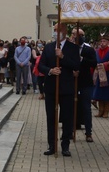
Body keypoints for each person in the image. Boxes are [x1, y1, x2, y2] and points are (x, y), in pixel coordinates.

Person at [38, 23, 80, 156]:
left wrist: (62, 57)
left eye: (57, 30)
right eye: (54, 30)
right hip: (51, 87)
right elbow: (41, 66)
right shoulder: (49, 47)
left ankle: (65, 145)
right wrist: (50, 70)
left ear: (64, 31)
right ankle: (52, 144)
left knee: (67, 118)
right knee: (51, 117)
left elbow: (76, 65)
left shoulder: (73, 48)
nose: (55, 32)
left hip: (66, 88)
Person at [72, 27, 97, 142]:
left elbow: (94, 63)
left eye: (81, 35)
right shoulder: (70, 48)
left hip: (85, 82)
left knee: (86, 108)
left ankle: (88, 133)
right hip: (72, 81)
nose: (78, 37)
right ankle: (71, 131)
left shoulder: (89, 50)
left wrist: (83, 59)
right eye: (76, 35)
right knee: (71, 107)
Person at [92, 34, 109, 117]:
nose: (102, 43)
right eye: (101, 41)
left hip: (108, 75)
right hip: (99, 75)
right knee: (99, 93)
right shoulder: (96, 51)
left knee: (107, 93)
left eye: (104, 41)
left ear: (108, 42)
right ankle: (100, 111)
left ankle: (106, 112)